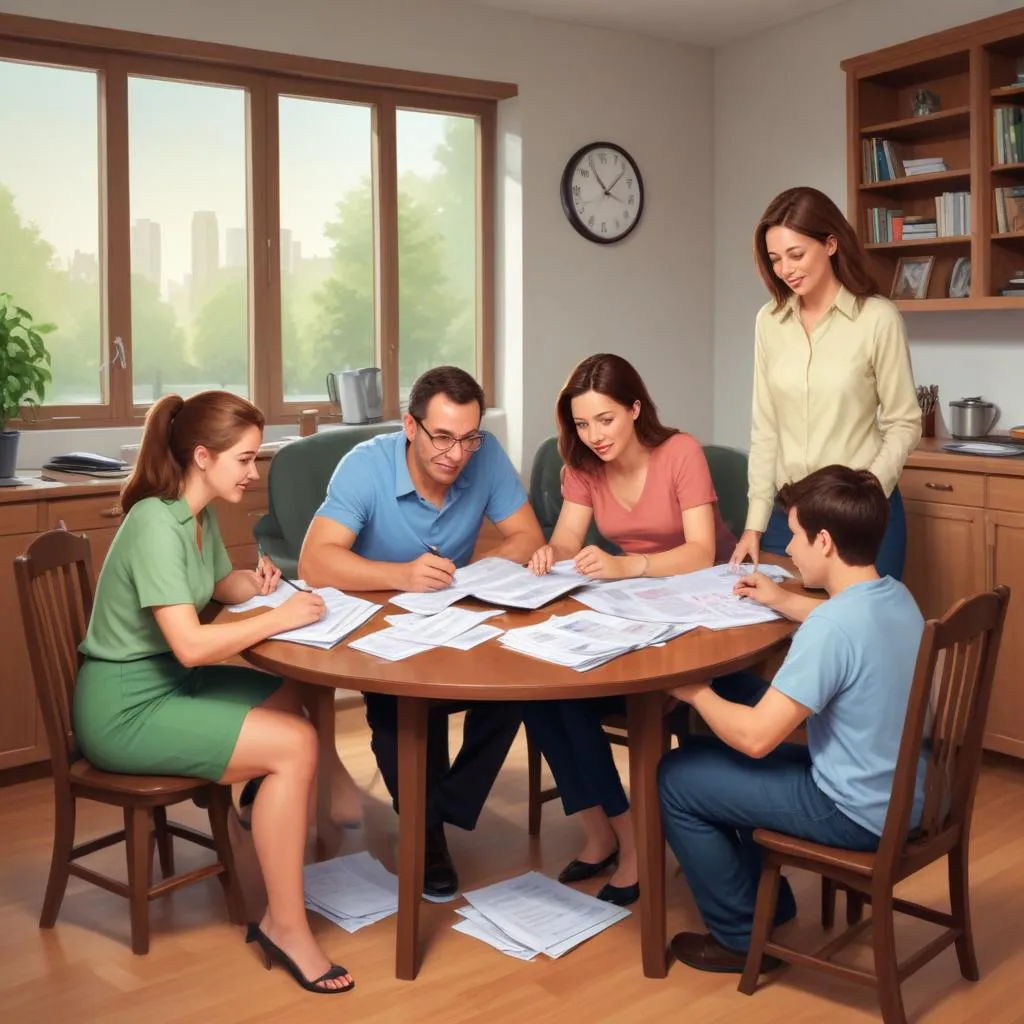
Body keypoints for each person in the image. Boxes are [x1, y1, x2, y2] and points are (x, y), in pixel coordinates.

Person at [73, 391, 360, 994]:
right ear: (202, 456)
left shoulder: (193, 512)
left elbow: (209, 585)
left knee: (287, 694)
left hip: (163, 682)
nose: (254, 474)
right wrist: (280, 618)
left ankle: (264, 803)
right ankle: (285, 924)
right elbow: (192, 646)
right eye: (246, 460)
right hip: (125, 707)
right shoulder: (154, 522)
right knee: (296, 744)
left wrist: (249, 586)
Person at [659, 465, 925, 974]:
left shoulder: (832, 628)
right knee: (703, 749)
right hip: (902, 790)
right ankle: (766, 902)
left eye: (797, 537)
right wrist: (783, 601)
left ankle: (740, 940)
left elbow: (757, 739)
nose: (792, 549)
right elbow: (846, 626)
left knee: (675, 777)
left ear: (824, 541)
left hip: (854, 811)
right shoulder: (895, 596)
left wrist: (693, 691)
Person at [299, 365, 544, 900]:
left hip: (452, 611)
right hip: (380, 626)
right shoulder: (365, 466)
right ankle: (428, 833)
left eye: (468, 439)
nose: (456, 454)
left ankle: (442, 807)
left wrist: (474, 574)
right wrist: (402, 576)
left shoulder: (486, 455)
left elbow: (527, 536)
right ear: (411, 427)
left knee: (520, 684)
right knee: (399, 710)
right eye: (442, 437)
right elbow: (315, 561)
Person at [524, 353, 735, 906]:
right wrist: (553, 552)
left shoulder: (680, 452)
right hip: (634, 605)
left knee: (573, 697)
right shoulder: (583, 464)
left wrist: (627, 565)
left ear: (636, 409)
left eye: (606, 420)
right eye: (582, 423)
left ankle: (637, 845)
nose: (594, 435)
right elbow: (570, 537)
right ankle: (604, 831)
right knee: (545, 694)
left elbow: (702, 551)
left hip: (705, 611)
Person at [730, 186, 922, 580]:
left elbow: (904, 422)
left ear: (831, 244)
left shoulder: (877, 318)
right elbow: (765, 428)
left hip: (862, 517)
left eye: (796, 255)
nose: (785, 269)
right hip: (790, 518)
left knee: (861, 634)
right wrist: (755, 523)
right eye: (775, 259)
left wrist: (865, 493)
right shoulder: (769, 320)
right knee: (779, 631)